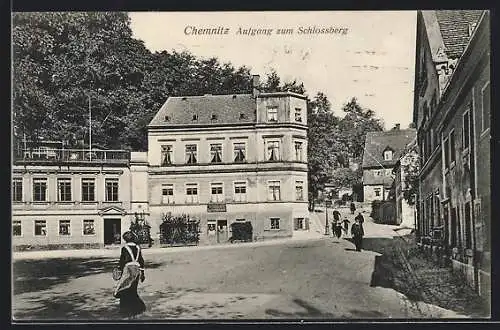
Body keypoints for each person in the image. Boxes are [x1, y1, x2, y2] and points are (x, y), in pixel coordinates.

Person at [114, 231, 146, 318]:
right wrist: (142, 273)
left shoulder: (125, 248)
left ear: (125, 239)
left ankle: (125, 310)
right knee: (133, 289)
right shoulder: (138, 247)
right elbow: (141, 260)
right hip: (137, 270)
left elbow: (123, 260)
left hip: (128, 269)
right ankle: (136, 309)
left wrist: (119, 270)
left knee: (124, 288)